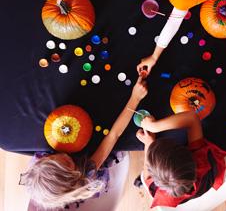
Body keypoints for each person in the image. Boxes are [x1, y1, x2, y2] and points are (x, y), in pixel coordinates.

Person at [20, 76, 147, 209]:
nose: (65, 155)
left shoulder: (40, 164)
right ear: (75, 175)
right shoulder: (86, 174)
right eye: (69, 162)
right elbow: (113, 135)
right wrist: (135, 98)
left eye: (54, 156)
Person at [136, 111, 226, 208]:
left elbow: (147, 177)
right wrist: (154, 126)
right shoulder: (200, 160)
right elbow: (192, 118)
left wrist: (149, 143)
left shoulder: (157, 191)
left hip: (196, 188)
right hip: (206, 178)